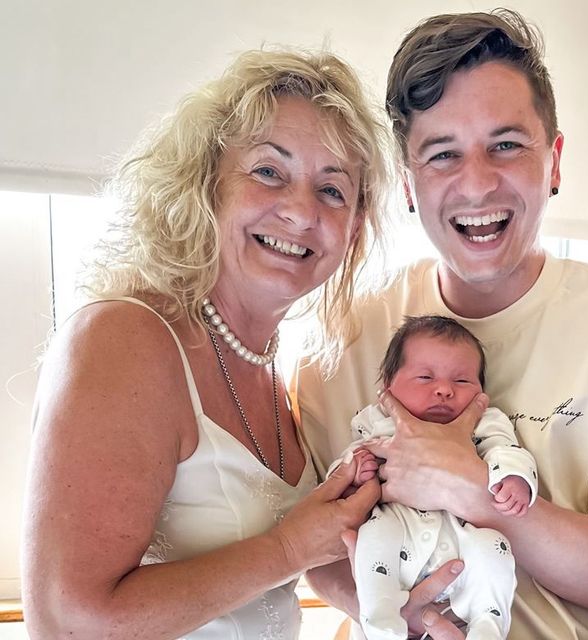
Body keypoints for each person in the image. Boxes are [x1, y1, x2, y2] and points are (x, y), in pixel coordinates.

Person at [292, 9, 588, 640]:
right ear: (409, 183)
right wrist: (394, 615)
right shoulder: (342, 339)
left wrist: (471, 488)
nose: (476, 185)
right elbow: (319, 552)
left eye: (506, 146)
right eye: (443, 154)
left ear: (554, 162)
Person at [21, 49, 393, 639]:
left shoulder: (274, 374)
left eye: (332, 190)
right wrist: (290, 547)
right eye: (270, 171)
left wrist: (402, 608)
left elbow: (284, 570)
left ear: (353, 228)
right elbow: (68, 622)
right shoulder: (126, 336)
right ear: (205, 182)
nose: (300, 212)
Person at [331, 314, 537, 640]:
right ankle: (380, 620)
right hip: (397, 527)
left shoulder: (486, 422)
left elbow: (506, 450)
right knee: (373, 538)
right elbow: (347, 461)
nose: (444, 390)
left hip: (461, 538)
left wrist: (515, 479)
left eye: (462, 381)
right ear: (387, 386)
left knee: (494, 547)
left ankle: (488, 623)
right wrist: (357, 470)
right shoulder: (378, 421)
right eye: (425, 377)